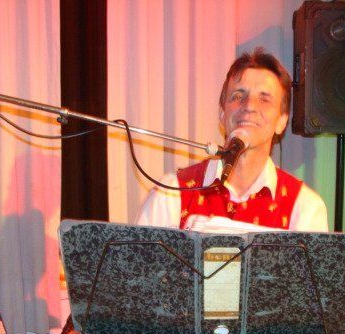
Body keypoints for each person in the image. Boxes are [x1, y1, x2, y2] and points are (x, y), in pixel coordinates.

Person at [135, 47, 328, 232]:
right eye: (238, 96)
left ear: (282, 121)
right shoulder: (170, 194)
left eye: (264, 99)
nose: (249, 106)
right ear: (222, 113)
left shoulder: (305, 208)